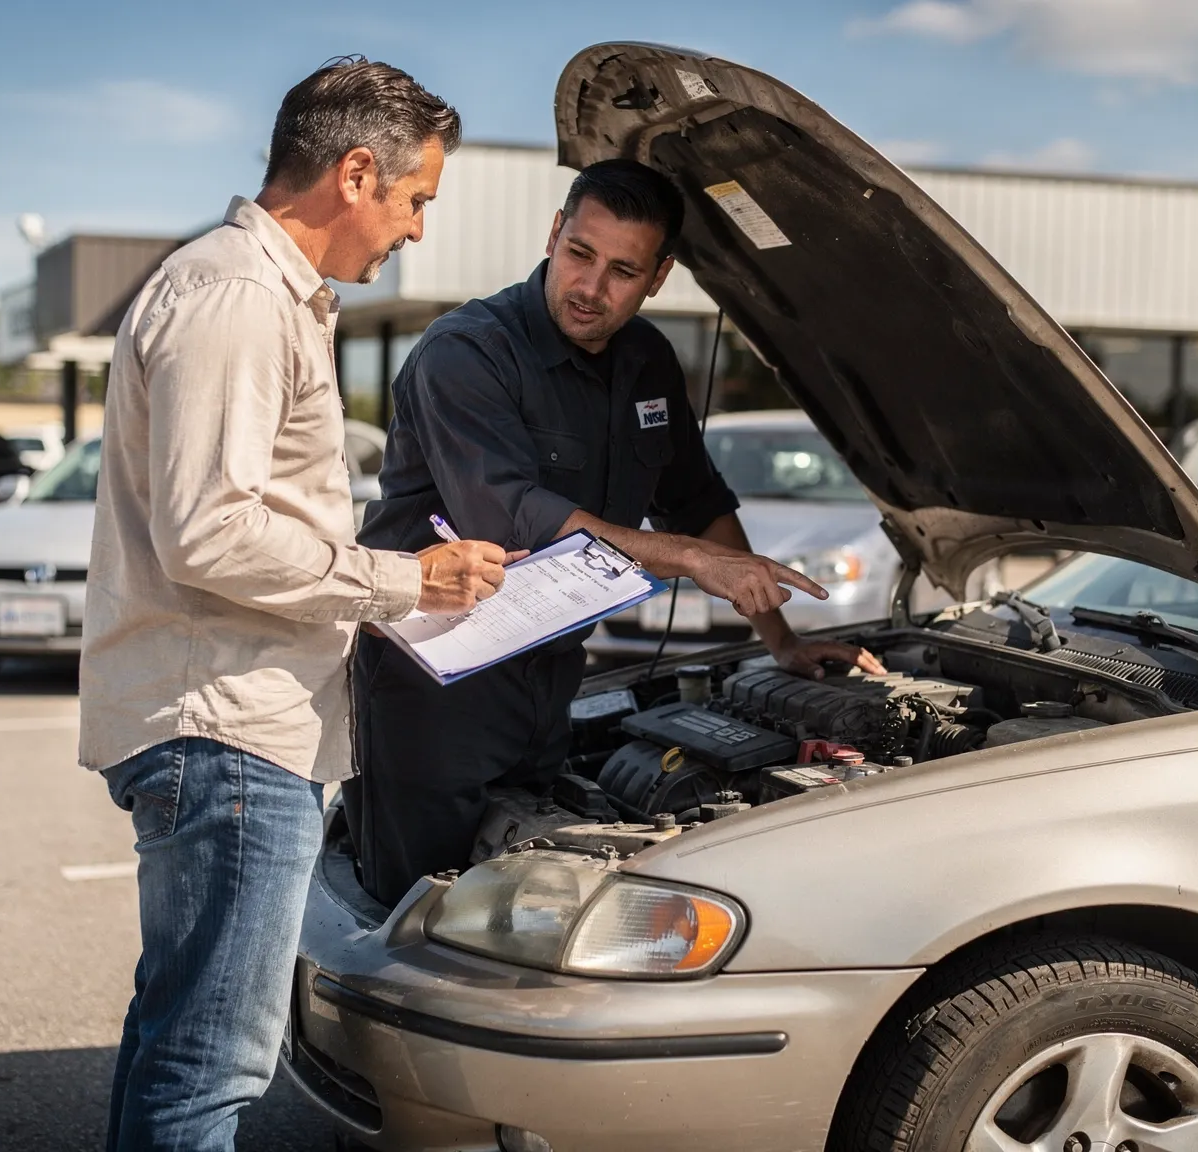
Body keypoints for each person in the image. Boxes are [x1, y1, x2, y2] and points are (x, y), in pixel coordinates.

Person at [78, 57, 510, 1152]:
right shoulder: (234, 296)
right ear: (356, 174)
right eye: (416, 199)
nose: (416, 229)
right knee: (211, 1060)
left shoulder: (255, 292)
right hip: (226, 731)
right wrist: (405, 581)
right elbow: (210, 532)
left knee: (178, 1033)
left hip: (223, 722)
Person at [350, 158, 885, 906]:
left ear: (659, 277)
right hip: (434, 691)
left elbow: (695, 501)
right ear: (554, 233)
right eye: (579, 255)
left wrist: (781, 642)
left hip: (552, 680)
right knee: (415, 914)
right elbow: (509, 516)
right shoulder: (466, 353)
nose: (590, 289)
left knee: (518, 910)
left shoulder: (648, 362)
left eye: (623, 271)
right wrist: (691, 560)